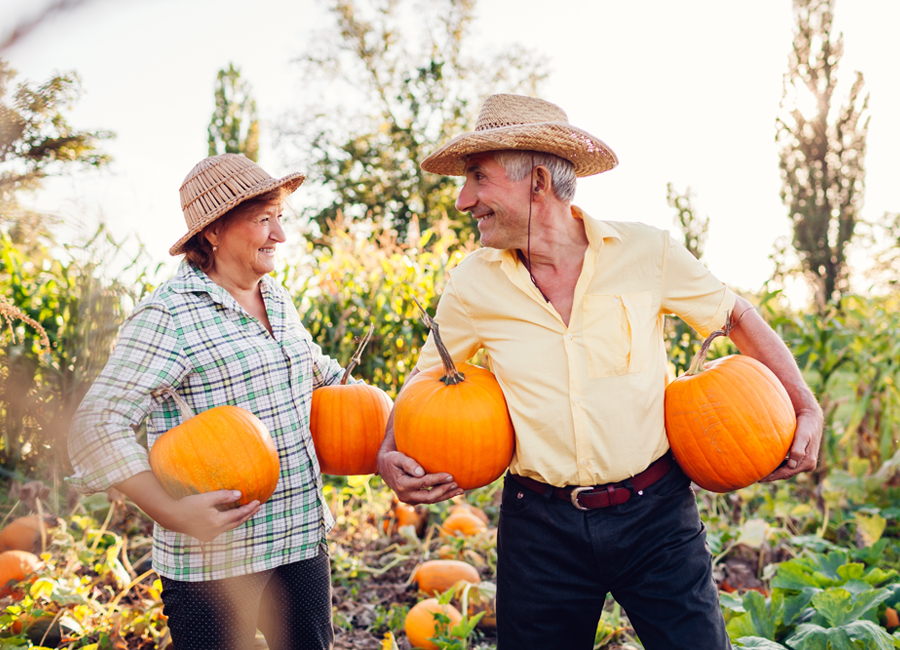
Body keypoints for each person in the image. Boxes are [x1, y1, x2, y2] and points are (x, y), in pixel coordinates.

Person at [376, 94, 824, 649]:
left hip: (656, 516)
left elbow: (735, 315)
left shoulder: (645, 251)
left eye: (477, 179)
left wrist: (803, 404)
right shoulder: (473, 284)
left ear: (537, 181)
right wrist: (388, 450)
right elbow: (425, 381)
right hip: (539, 527)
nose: (465, 201)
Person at [68, 153, 346, 650]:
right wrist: (171, 513)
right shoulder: (168, 315)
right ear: (213, 232)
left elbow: (315, 372)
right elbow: (96, 422)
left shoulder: (275, 297)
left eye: (280, 218)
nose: (279, 235)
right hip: (215, 560)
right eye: (264, 220)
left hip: (300, 534)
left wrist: (397, 403)